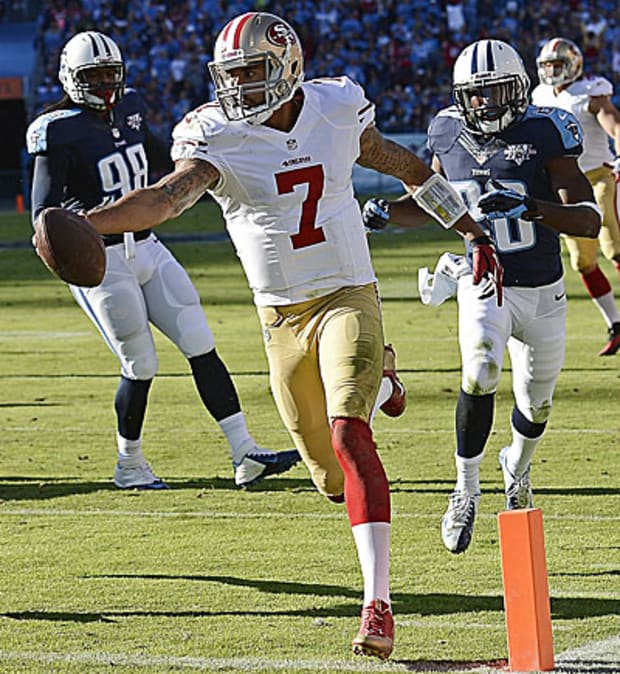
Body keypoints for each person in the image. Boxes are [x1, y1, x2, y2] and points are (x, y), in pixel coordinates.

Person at [81, 12, 501, 659]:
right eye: (232, 75)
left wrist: (470, 230)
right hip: (280, 322)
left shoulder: (335, 108)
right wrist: (96, 222)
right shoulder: (216, 133)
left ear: (288, 66)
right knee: (330, 480)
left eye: (253, 71)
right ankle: (381, 371)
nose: (241, 86)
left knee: (347, 432)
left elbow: (408, 167)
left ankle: (378, 603)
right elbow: (167, 198)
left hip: (345, 296)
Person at [26, 30, 302, 491]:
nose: (105, 84)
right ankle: (128, 465)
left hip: (149, 247)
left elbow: (164, 158)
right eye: (94, 77)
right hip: (103, 260)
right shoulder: (55, 130)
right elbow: (43, 215)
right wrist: (73, 245)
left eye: (111, 74)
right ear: (71, 79)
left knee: (200, 340)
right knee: (142, 363)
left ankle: (244, 452)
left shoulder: (130, 108)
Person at [363, 39, 601, 555]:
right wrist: (388, 212)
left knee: (536, 405)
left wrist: (531, 206)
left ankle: (516, 467)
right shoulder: (447, 130)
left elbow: (588, 217)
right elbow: (435, 200)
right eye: (477, 95)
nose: (486, 105)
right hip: (484, 280)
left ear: (517, 90)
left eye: (496, 93)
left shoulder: (546, 129)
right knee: (481, 368)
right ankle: (465, 488)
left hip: (542, 289)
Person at [532, 37, 620, 356]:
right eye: (548, 65)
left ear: (574, 65)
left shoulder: (590, 92)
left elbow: (613, 121)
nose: (553, 70)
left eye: (558, 64)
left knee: (615, 248)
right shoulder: (538, 96)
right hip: (565, 184)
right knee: (583, 261)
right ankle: (616, 324)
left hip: (599, 177)